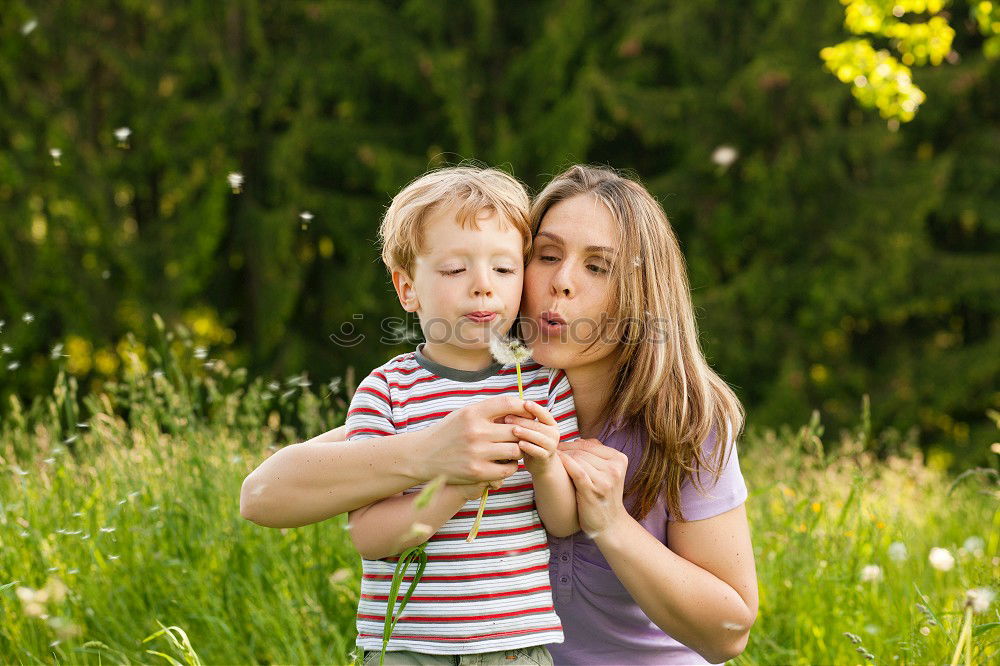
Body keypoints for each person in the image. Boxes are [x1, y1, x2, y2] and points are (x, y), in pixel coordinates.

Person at [241, 165, 758, 665]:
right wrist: (429, 454)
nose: (562, 282)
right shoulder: (462, 396)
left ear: (643, 292)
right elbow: (262, 495)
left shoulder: (684, 421)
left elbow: (727, 635)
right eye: (547, 256)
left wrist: (610, 523)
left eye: (598, 266)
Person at [317, 166, 581, 665]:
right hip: (408, 647)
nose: (483, 287)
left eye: (503, 270)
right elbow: (373, 539)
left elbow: (564, 523)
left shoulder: (542, 384)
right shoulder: (387, 392)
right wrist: (458, 482)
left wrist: (546, 465)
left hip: (512, 647)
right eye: (455, 270)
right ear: (407, 289)